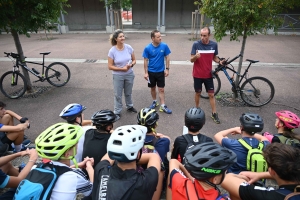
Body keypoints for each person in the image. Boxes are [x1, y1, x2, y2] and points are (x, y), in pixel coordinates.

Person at [91, 125, 161, 200]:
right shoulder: (146, 182)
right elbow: (154, 157)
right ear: (138, 154)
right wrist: (130, 156)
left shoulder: (101, 170)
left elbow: (108, 155)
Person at [35, 123, 94, 199]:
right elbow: (92, 190)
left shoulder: (36, 168)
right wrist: (89, 168)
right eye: (75, 144)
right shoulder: (75, 176)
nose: (77, 145)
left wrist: (74, 166)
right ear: (67, 154)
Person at [221, 143, 300, 200]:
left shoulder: (276, 196)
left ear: (271, 171)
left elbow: (226, 180)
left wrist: (242, 178)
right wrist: (259, 175)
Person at [168, 142, 237, 200]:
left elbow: (173, 161)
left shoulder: (178, 182)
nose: (226, 172)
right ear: (215, 180)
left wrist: (190, 177)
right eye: (225, 171)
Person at [190, 27, 224, 124]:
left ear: (209, 35)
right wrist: (195, 57)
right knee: (198, 93)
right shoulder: (196, 44)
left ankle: (214, 113)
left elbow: (214, 57)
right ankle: (196, 110)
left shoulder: (214, 45)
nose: (202, 37)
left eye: (204, 35)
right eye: (201, 35)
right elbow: (191, 59)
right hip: (197, 74)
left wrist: (220, 61)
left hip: (208, 74)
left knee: (211, 94)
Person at [137, 107, 171, 199]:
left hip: (136, 179)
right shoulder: (162, 142)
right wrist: (160, 135)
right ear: (155, 125)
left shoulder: (133, 140)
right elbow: (168, 139)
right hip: (154, 181)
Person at [108, 29, 137, 119]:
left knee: (128, 92)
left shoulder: (128, 47)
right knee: (118, 94)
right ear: (116, 39)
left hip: (129, 74)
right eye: (120, 37)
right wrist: (122, 69)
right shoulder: (112, 51)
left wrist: (131, 64)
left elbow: (134, 60)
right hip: (118, 75)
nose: (123, 38)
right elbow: (110, 66)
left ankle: (129, 106)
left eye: (123, 36)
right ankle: (117, 111)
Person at [143, 30, 172, 114]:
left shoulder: (164, 46)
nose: (160, 38)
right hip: (151, 72)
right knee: (152, 88)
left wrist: (167, 69)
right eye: (158, 37)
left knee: (161, 89)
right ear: (153, 38)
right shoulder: (147, 48)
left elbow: (167, 57)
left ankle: (163, 106)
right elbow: (145, 60)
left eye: (160, 36)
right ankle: (155, 101)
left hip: (160, 72)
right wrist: (145, 72)